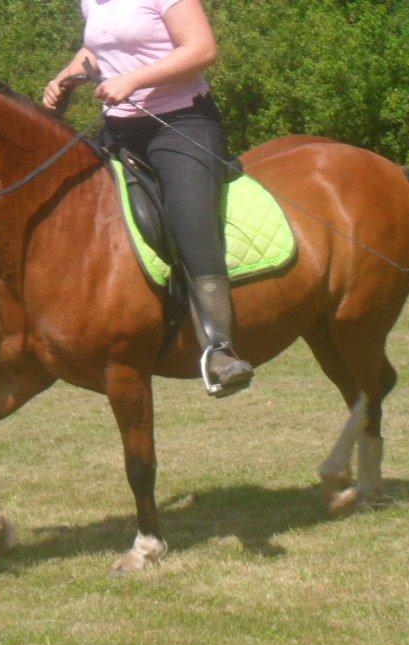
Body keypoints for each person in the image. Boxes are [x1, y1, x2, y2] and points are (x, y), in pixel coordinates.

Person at [43, 0, 254, 396]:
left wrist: (134, 79)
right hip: (118, 129)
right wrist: (67, 76)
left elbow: (201, 49)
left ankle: (219, 347)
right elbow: (100, 48)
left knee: (188, 219)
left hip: (180, 124)